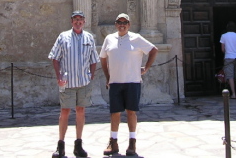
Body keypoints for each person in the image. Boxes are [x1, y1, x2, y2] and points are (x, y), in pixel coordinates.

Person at [100, 13, 158, 156]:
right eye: (119, 22)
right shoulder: (109, 39)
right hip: (115, 82)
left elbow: (153, 50)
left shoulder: (136, 38)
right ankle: (113, 142)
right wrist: (108, 76)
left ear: (129, 25)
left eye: (125, 22)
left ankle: (132, 142)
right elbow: (103, 58)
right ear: (115, 24)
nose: (122, 24)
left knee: (131, 112)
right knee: (115, 113)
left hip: (133, 81)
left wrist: (146, 68)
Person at [48, 11, 99, 158]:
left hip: (83, 81)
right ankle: (61, 145)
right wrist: (58, 76)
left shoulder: (89, 38)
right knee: (65, 112)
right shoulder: (63, 37)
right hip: (67, 81)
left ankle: (78, 144)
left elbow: (93, 59)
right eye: (75, 19)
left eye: (80, 20)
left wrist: (91, 75)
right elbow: (55, 58)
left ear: (84, 21)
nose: (78, 22)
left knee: (81, 111)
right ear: (71, 21)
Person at [220, 21, 236, 99]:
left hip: (228, 57)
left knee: (230, 76)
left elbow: (222, 49)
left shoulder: (223, 36)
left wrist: (227, 52)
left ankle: (233, 93)